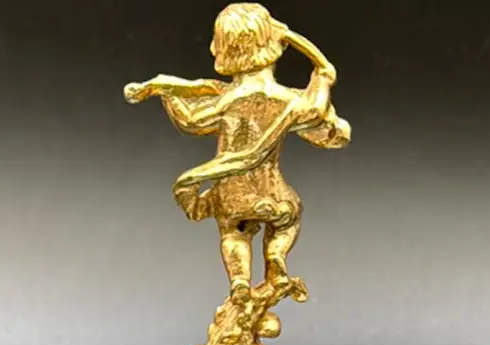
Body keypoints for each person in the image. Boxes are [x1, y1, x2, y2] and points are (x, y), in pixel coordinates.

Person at [124, 2, 350, 307]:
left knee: (233, 234)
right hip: (275, 194)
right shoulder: (291, 101)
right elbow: (324, 117)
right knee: (286, 222)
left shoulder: (226, 101)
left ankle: (240, 281)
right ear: (273, 44)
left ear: (221, 50)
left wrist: (167, 94)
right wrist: (310, 59)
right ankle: (276, 258)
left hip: (232, 198)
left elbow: (190, 122)